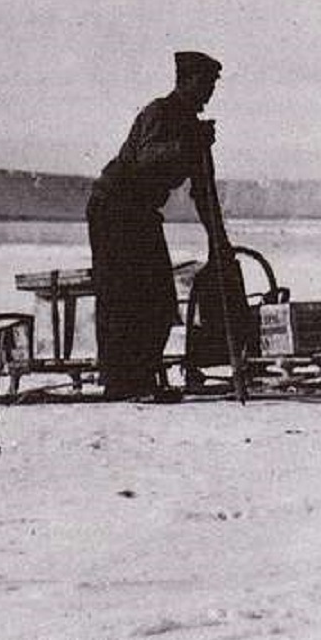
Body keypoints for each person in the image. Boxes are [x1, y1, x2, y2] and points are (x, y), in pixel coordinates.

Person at [86, 51, 221, 400]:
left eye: (212, 84)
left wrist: (218, 240)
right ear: (186, 81)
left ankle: (141, 378)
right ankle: (122, 383)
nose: (209, 91)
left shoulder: (194, 129)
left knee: (160, 299)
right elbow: (146, 158)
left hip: (141, 212)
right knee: (123, 296)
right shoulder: (159, 112)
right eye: (205, 83)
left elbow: (204, 192)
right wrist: (189, 143)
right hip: (113, 208)